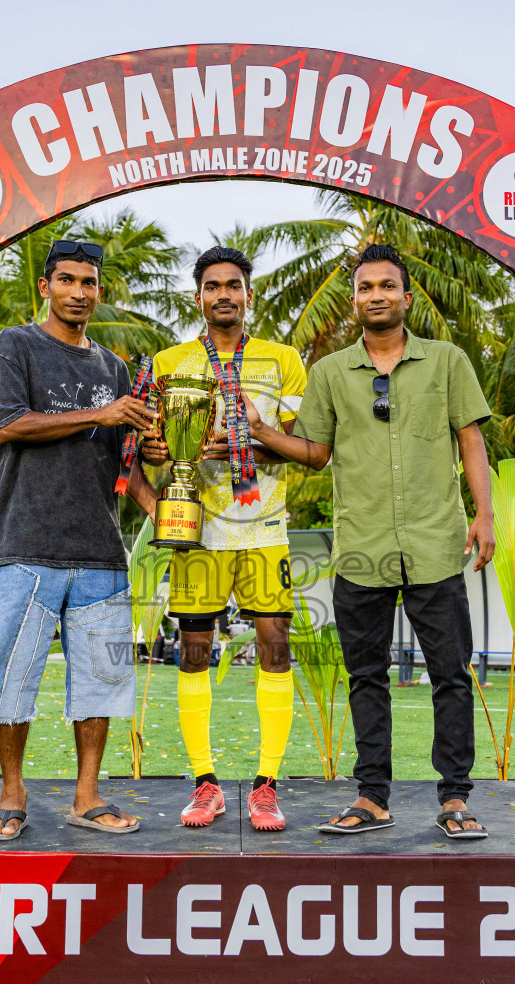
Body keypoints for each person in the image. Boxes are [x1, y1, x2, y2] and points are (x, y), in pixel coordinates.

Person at [243, 243, 496, 842]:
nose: (376, 295)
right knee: (367, 675)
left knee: (450, 676)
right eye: (365, 288)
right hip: (360, 547)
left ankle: (455, 798)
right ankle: (371, 796)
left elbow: (471, 440)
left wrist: (485, 514)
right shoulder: (330, 372)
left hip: (436, 543)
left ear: (407, 298)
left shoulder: (447, 361)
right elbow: (315, 453)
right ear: (354, 300)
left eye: (387, 286)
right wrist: (259, 434)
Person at [0, 239, 160, 842]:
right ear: (46, 287)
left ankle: (87, 795)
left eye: (90, 283)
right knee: (14, 675)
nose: (80, 292)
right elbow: (7, 426)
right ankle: (11, 791)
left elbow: (121, 465)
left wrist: (158, 487)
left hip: (101, 548)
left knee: (101, 679)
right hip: (28, 542)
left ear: (100, 292)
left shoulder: (113, 369)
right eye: (69, 280)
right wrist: (100, 416)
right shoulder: (14, 347)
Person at [141, 245, 308, 831]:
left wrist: (246, 444)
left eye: (233, 286)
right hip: (196, 532)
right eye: (213, 287)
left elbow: (304, 446)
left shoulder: (283, 359)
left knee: (274, 646)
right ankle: (204, 782)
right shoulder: (170, 363)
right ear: (198, 297)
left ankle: (266, 784)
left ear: (248, 295)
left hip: (265, 526)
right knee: (191, 653)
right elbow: (149, 444)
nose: (223, 296)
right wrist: (156, 450)